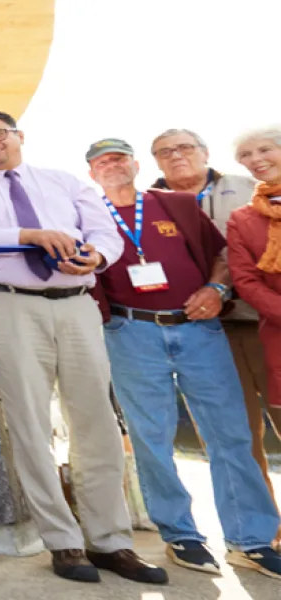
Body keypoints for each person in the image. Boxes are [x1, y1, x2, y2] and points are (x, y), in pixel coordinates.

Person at [0, 111, 165, 584]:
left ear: (20, 136)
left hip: (77, 303)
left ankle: (112, 541)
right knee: (30, 423)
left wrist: (96, 256)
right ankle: (63, 541)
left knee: (97, 422)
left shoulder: (62, 182)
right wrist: (31, 236)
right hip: (11, 305)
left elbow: (105, 233)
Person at [86, 138, 281, 577]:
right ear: (91, 173)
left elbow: (221, 255)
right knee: (152, 437)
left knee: (230, 434)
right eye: (102, 161)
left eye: (119, 157)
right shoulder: (86, 213)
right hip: (129, 330)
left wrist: (216, 288)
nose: (112, 165)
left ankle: (250, 540)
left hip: (198, 329)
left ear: (136, 164)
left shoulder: (175, 204)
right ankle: (181, 536)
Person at [149, 129, 273, 520]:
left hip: (262, 322)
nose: (176, 156)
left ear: (204, 152)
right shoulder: (148, 204)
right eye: (164, 152)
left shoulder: (251, 188)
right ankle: (264, 529)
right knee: (233, 435)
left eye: (185, 147)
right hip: (202, 332)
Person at [228, 126, 281, 557]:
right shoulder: (243, 219)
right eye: (246, 153)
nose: (256, 158)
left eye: (265, 149)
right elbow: (245, 279)